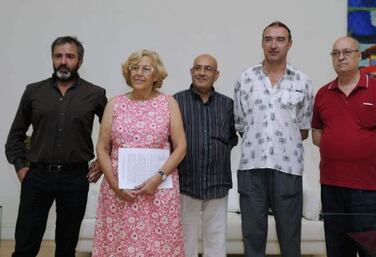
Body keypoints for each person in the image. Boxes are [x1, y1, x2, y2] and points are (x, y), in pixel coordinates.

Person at [5, 36, 107, 257]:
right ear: (52, 59)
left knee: (66, 246)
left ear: (80, 61)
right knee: (25, 244)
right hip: (37, 176)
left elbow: (114, 133)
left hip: (76, 177)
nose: (63, 61)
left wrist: (102, 161)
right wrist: (22, 168)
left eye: (69, 56)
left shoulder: (95, 94)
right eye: (58, 56)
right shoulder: (33, 91)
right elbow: (15, 136)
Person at [311, 36, 376, 257]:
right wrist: (339, 148)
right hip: (331, 189)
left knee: (371, 251)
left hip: (368, 191)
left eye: (347, 52)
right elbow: (316, 132)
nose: (341, 57)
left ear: (359, 55)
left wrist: (369, 154)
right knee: (337, 251)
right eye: (336, 53)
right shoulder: (323, 93)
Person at [92, 49, 187, 257]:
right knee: (120, 245)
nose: (139, 73)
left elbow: (181, 147)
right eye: (134, 68)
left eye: (146, 68)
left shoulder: (168, 102)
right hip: (119, 190)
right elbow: (102, 147)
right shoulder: (114, 103)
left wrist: (158, 178)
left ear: (156, 76)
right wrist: (115, 186)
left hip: (159, 190)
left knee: (159, 246)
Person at [234, 21, 313, 257]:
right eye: (268, 39)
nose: (273, 45)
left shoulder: (303, 81)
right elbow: (240, 124)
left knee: (289, 237)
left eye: (280, 39)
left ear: (289, 44)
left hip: (287, 168)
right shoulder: (245, 79)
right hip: (252, 168)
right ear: (262, 43)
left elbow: (303, 128)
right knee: (253, 237)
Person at [174, 54, 238, 257]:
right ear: (191, 71)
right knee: (185, 241)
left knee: (216, 241)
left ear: (216, 75)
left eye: (208, 69)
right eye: (198, 68)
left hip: (217, 183)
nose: (202, 72)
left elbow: (231, 138)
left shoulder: (228, 105)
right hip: (185, 183)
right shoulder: (176, 101)